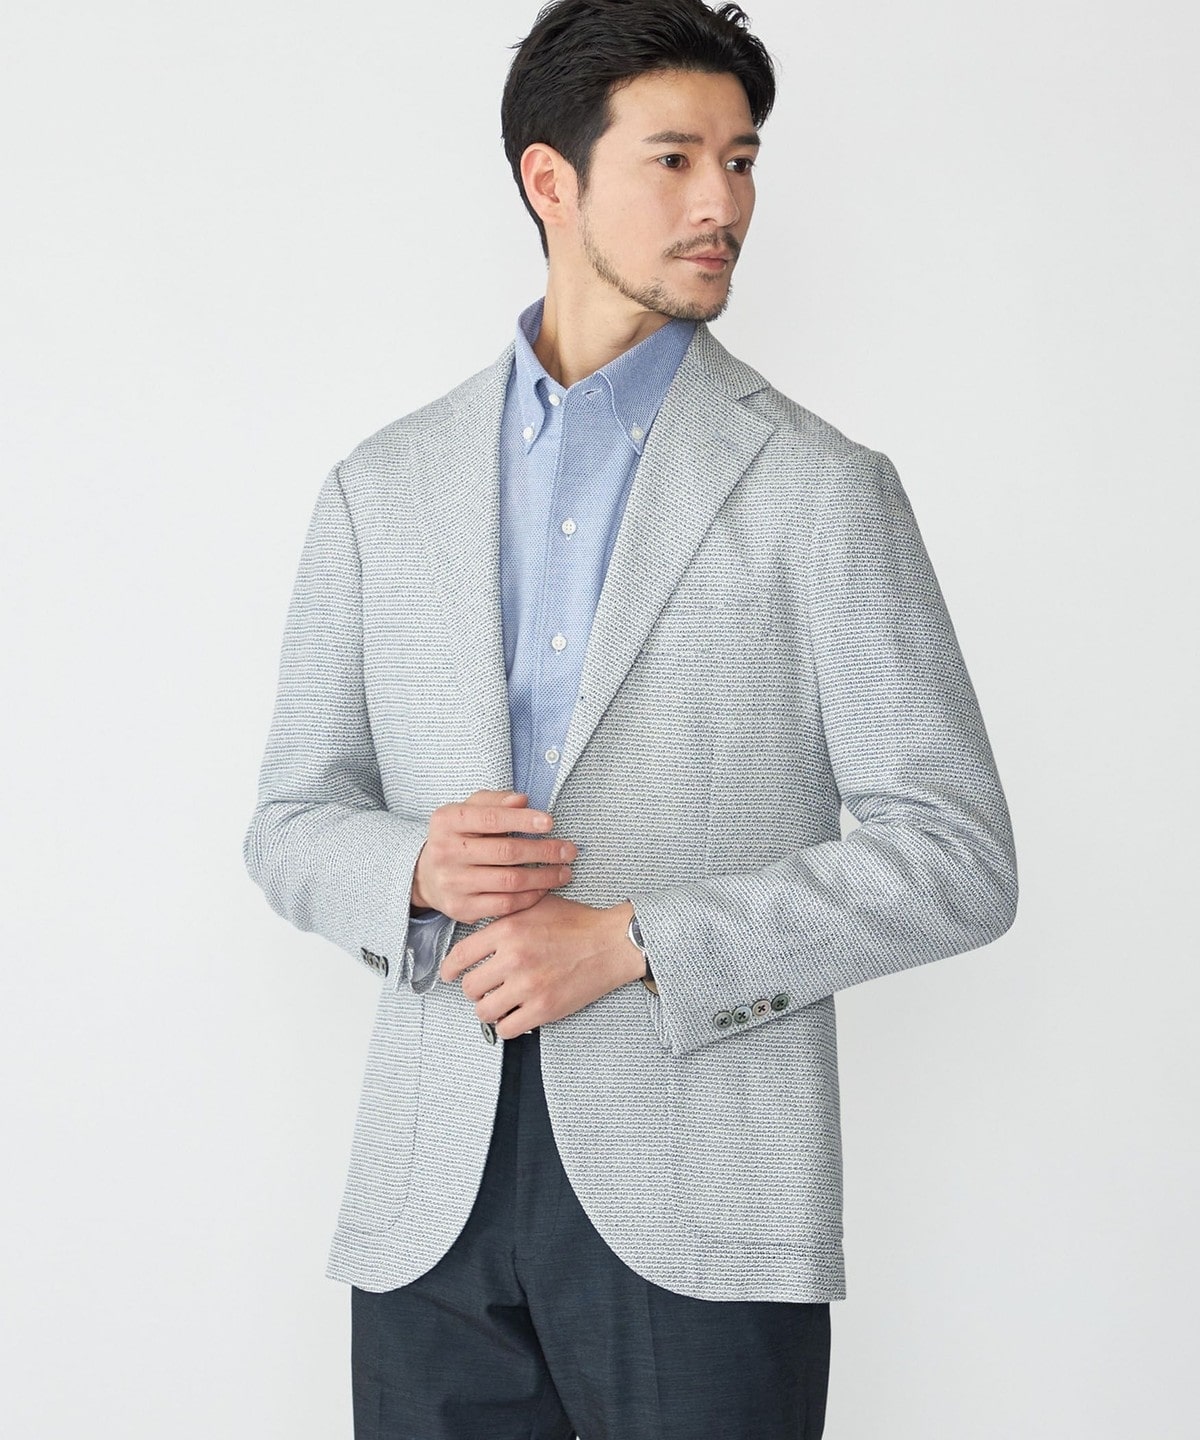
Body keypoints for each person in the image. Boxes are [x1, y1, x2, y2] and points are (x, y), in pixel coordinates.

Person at [242, 1, 1018, 1435]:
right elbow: (290, 822)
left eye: (742, 159)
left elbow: (956, 857)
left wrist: (631, 944)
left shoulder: (821, 489)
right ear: (552, 180)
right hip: (426, 1199)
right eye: (675, 158)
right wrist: (410, 867)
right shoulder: (383, 485)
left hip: (704, 1200)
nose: (724, 202)